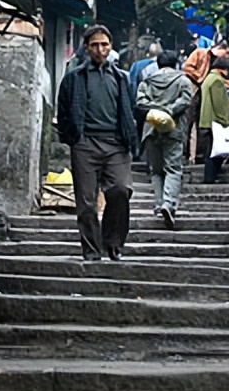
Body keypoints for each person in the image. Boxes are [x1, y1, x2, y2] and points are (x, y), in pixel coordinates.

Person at [57, 24, 138, 261]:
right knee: (86, 202)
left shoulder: (122, 78)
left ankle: (113, 243)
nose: (100, 50)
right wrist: (72, 137)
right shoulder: (74, 78)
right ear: (86, 48)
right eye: (95, 45)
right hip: (85, 143)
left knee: (121, 191)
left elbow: (129, 109)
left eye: (104, 44)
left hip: (116, 144)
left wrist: (130, 138)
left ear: (111, 47)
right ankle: (92, 250)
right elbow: (63, 111)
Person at [135, 50, 193, 228]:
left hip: (151, 129)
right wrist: (169, 110)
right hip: (173, 130)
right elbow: (186, 100)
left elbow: (140, 102)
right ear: (176, 63)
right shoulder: (183, 80)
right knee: (173, 169)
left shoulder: (148, 81)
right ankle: (169, 204)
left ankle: (159, 203)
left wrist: (156, 109)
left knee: (156, 170)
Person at [198, 56, 229, 183]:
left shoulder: (209, 78)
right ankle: (210, 178)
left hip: (207, 119)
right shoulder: (217, 81)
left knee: (211, 150)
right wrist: (225, 121)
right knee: (215, 152)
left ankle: (210, 177)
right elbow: (219, 104)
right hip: (215, 121)